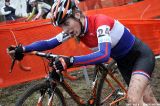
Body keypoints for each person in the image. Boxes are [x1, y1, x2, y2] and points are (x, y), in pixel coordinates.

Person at [7, 0, 158, 105]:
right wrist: (24, 49)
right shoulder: (73, 30)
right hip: (124, 63)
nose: (66, 30)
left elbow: (104, 55)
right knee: (149, 101)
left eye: (66, 23)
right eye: (62, 27)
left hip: (140, 56)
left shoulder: (100, 22)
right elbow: (48, 43)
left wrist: (71, 60)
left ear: (77, 15)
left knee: (133, 100)